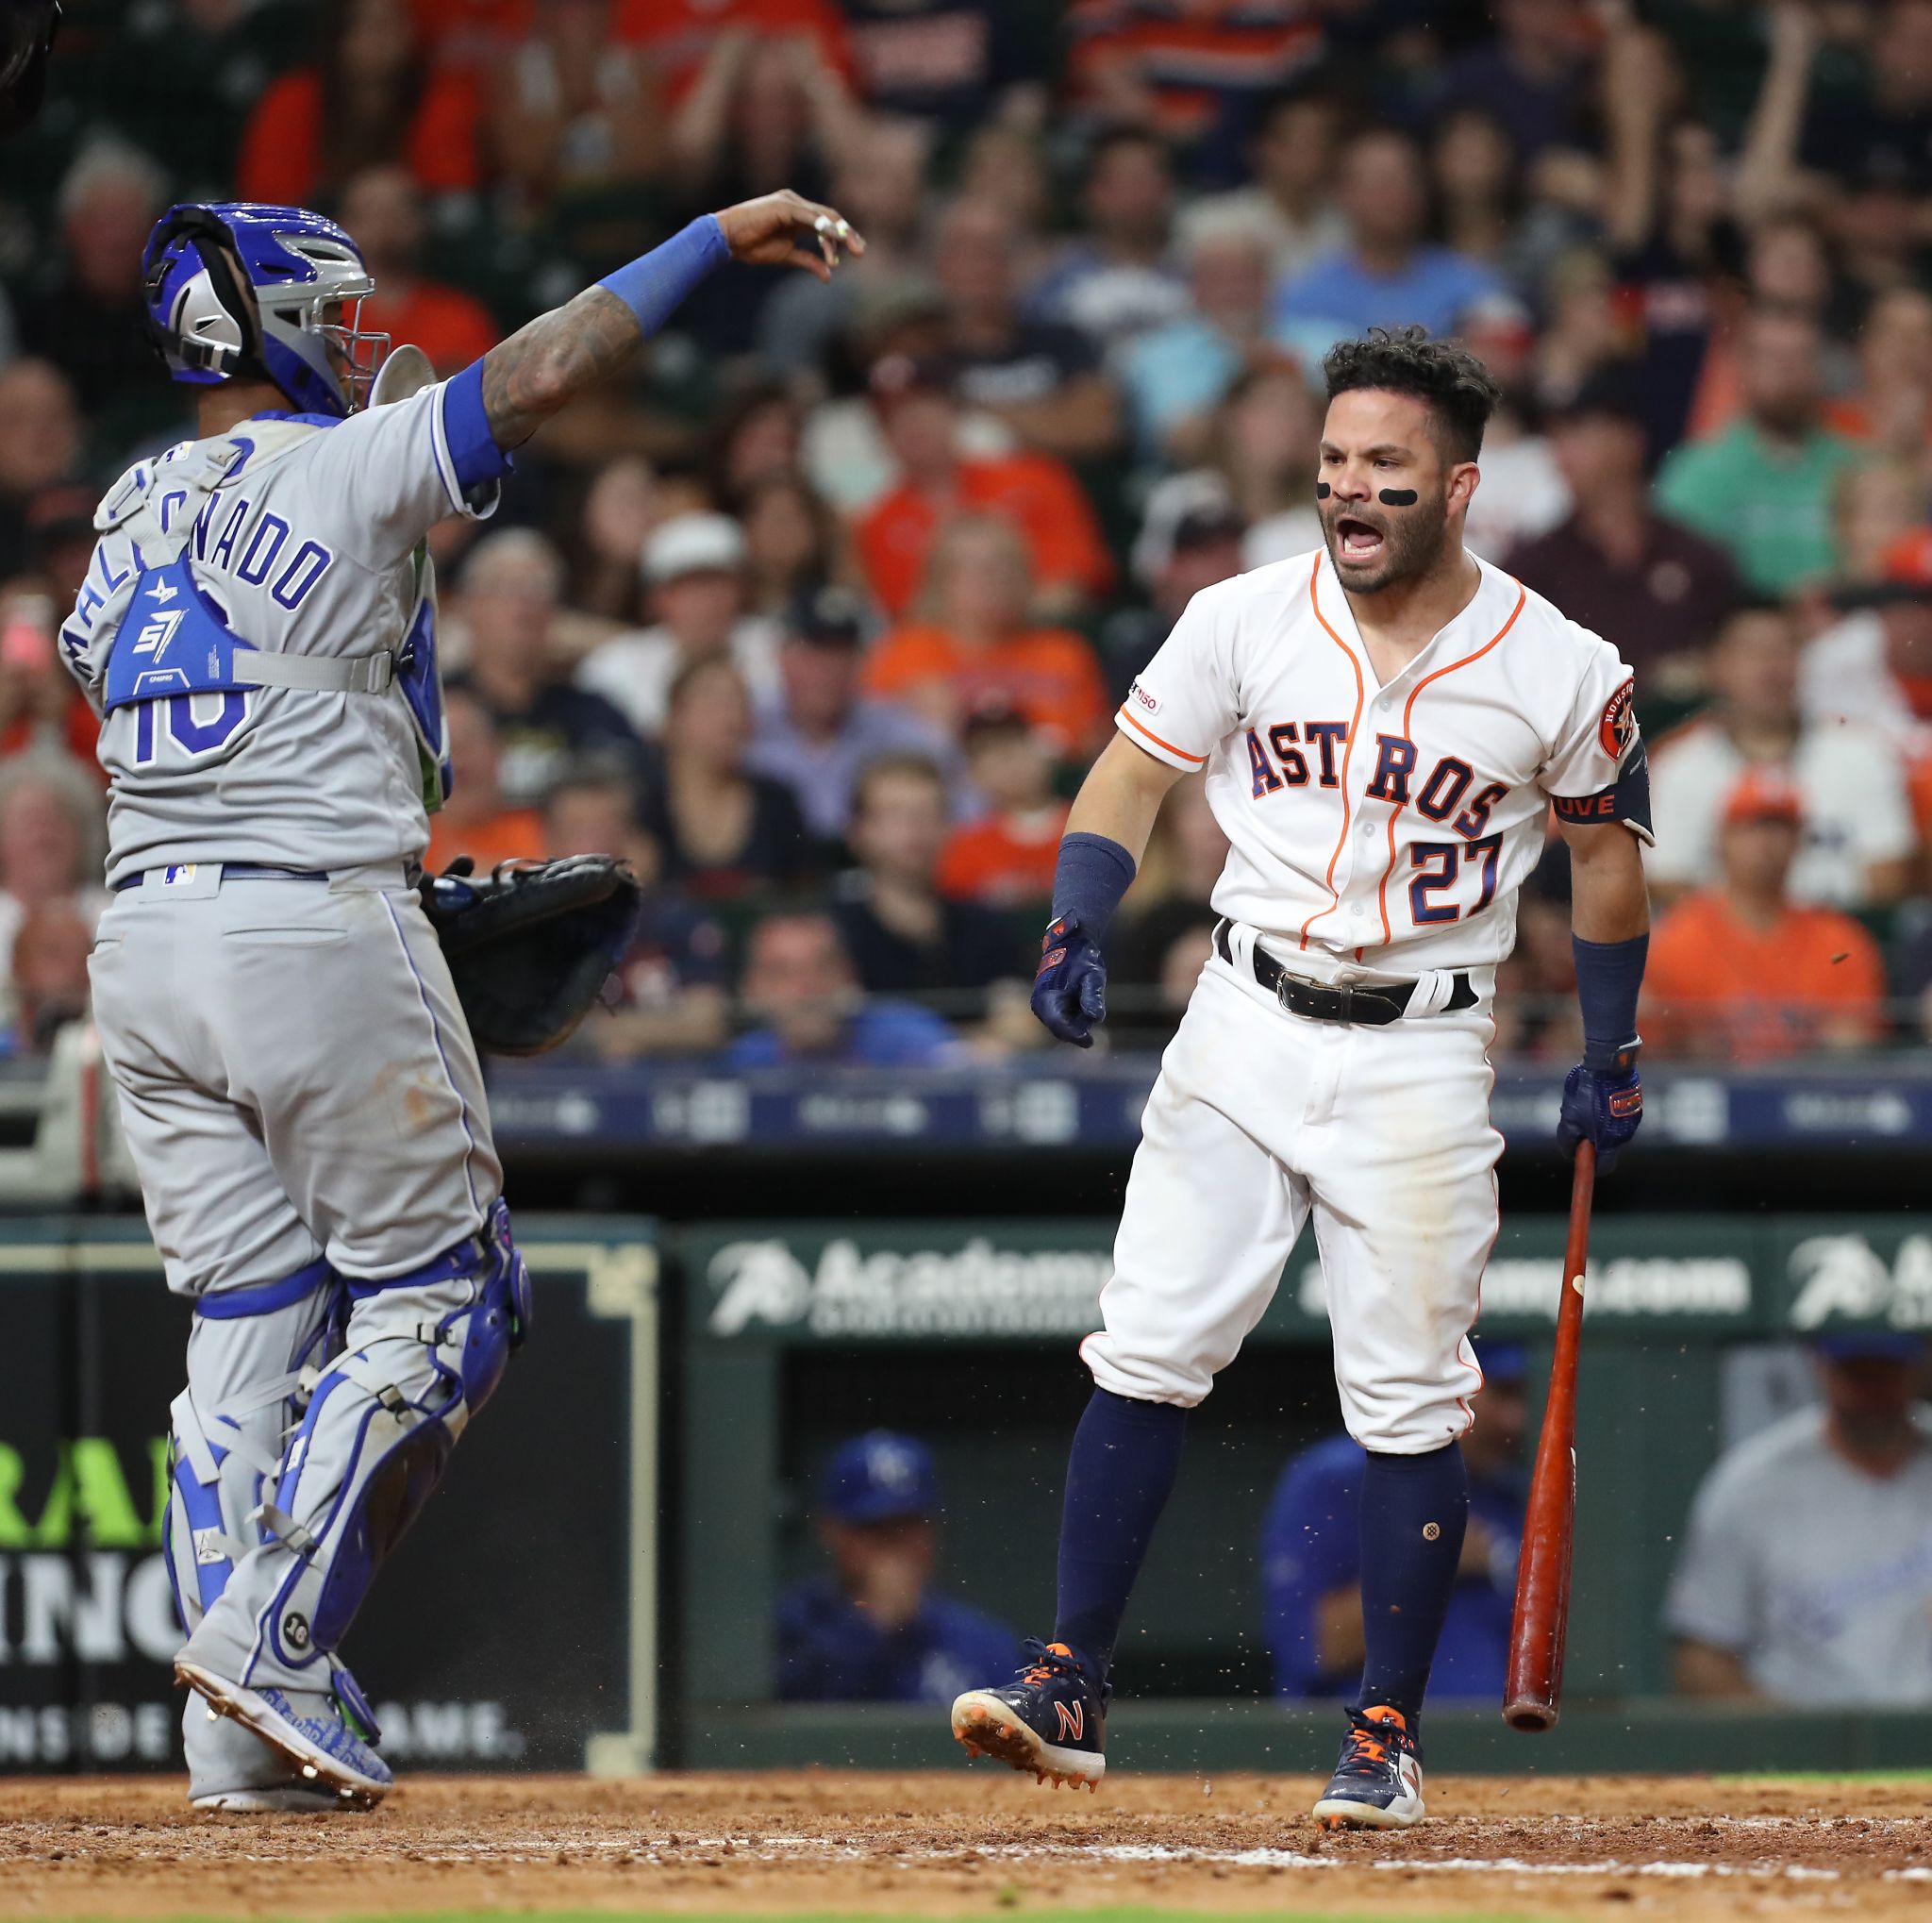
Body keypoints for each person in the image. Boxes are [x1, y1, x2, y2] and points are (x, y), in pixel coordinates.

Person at [58, 181, 862, 1812]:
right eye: (330, 313)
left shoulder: (125, 506)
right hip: (308, 924)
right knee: (450, 1293)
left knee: (247, 1320)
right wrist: (712, 238)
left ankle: (229, 1733)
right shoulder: (345, 459)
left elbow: (171, 693)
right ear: (263, 323)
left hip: (140, 946)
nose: (354, 339)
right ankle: (276, 1635)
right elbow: (548, 362)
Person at [946, 327, 1652, 1831]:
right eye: (1335, 463)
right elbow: (1131, 776)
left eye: (1386, 469)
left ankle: (1384, 1731)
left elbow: (1604, 863)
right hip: (1245, 1011)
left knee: (1407, 1398)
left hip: (1423, 1044)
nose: (1350, 491)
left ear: (1458, 485)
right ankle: (1072, 1677)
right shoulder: (1242, 616)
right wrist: (1076, 914)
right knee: (1145, 1338)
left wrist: (1613, 1047)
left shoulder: (1564, 664)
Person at [1664, 1332, 1932, 1709]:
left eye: (1886, 1372)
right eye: (1857, 1374)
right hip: (1804, 1743)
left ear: (1916, 1367)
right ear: (1820, 1366)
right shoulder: (1751, 1483)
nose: (1873, 1390)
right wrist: (1787, 1740)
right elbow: (1702, 1657)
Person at [1262, 1346, 1530, 1704]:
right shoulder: (1333, 1479)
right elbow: (1316, 1648)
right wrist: (1433, 1558)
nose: (1514, 1420)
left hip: (1496, 1746)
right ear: (1451, 1385)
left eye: (1522, 1396)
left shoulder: (1509, 1494)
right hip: (1360, 1742)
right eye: (1499, 1394)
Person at [1647, 606, 1914, 911]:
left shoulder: (1863, 753)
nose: (1770, 667)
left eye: (1784, 648)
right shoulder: (1679, 767)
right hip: (1724, 949)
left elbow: (1888, 875)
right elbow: (1667, 881)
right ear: (1716, 665)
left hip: (1836, 942)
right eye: (1752, 651)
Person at [1505, 368, 1740, 690]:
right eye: (1555, 435)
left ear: (1630, 439)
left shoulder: (1699, 561)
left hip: (1683, 733)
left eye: (1579, 430)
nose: (1562, 450)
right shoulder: (1531, 570)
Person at [1642, 769, 1888, 1062]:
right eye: (1751, 827)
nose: (1766, 843)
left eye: (1779, 828)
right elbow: (1656, 1043)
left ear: (1799, 840)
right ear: (1721, 839)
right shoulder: (1675, 938)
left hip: (1803, 1095)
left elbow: (1854, 1044)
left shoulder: (1839, 940)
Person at [855, 355, 1114, 624]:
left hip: (1043, 637)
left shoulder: (1035, 477)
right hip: (946, 656)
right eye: (893, 417)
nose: (913, 423)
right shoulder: (878, 522)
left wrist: (999, 625)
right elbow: (908, 614)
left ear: (953, 412)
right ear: (882, 435)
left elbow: (1076, 577)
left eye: (925, 407)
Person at [776, 1430, 1021, 1702]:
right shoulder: (787, 1628)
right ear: (831, 1532)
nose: (894, 1548)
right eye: (875, 1529)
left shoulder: (985, 1645)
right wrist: (872, 1628)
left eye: (909, 1528)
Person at [862, 514, 1111, 761]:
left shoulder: (1065, 652)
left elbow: (1096, 746)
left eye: (1005, 566)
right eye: (974, 568)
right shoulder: (904, 653)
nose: (992, 579)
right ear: (939, 580)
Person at [1653, 307, 1862, 598]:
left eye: (1800, 358)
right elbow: (1680, 576)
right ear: (1743, 369)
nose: (1786, 372)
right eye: (1772, 358)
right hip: (1731, 631)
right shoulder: (1697, 472)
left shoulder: (1859, 466)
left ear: (1820, 369)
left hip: (1842, 627)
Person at [449, 530, 651, 807]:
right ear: (467, 606)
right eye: (504, 588)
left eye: (537, 590)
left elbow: (637, 800)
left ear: (555, 611)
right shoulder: (434, 710)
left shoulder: (596, 716)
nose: (522, 606)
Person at [744, 585, 959, 845]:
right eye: (814, 654)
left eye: (842, 655)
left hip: (868, 872)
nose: (828, 671)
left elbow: (962, 803)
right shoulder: (749, 724)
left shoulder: (894, 729)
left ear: (862, 662)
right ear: (781, 657)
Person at [542, 772, 731, 1062]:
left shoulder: (674, 917)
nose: (594, 845)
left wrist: (615, 1034)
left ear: (629, 835)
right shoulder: (526, 927)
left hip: (663, 1083)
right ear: (550, 837)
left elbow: (707, 1023)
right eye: (578, 829)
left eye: (606, 828)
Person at [831, 754, 1029, 1012]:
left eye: (930, 812)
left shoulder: (990, 930)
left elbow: (1026, 1018)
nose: (915, 827)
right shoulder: (832, 936)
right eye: (895, 814)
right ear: (858, 831)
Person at [1273, 128, 1498, 353]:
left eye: (1408, 179)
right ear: (1341, 193)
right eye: (1381, 183)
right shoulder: (1306, 296)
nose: (1397, 194)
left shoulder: (1470, 285)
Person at [575, 511, 783, 737]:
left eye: (717, 583)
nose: (706, 600)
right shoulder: (615, 666)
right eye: (688, 587)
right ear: (655, 599)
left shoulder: (776, 648)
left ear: (742, 591)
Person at [638, 655, 811, 898]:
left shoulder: (778, 801)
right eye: (711, 702)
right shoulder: (642, 804)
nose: (731, 718)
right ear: (673, 719)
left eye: (740, 702)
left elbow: (805, 895)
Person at [725, 911, 957, 1068]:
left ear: (848, 975)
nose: (806, 988)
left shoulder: (906, 1037)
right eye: (781, 973)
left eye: (823, 967)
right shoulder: (743, 1063)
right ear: (751, 989)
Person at [337, 167, 500, 377]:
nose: (385, 225)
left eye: (397, 211)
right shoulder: (325, 318)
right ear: (341, 225)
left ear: (420, 222)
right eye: (368, 213)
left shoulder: (461, 319)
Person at [938, 703, 1070, 907]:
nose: (1007, 758)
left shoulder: (1091, 823)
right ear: (974, 772)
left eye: (1016, 742)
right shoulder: (964, 851)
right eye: (989, 751)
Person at [424, 689, 547, 874]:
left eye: (469, 739)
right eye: (443, 744)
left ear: (498, 749)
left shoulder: (544, 830)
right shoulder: (403, 843)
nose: (458, 754)